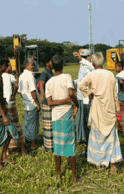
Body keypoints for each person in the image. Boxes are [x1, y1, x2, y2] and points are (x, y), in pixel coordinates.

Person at [79, 53, 122, 174]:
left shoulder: (91, 74)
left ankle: (98, 164)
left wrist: (89, 93)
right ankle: (112, 166)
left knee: (97, 136)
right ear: (103, 63)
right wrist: (117, 108)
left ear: (93, 63)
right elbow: (115, 93)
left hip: (97, 107)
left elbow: (80, 85)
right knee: (111, 136)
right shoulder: (110, 74)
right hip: (109, 107)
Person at [45, 55, 80, 183]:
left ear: (52, 66)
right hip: (67, 114)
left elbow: (49, 103)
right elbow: (71, 94)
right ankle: (75, 177)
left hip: (55, 117)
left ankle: (59, 175)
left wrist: (60, 101)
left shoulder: (49, 82)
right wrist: (75, 103)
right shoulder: (67, 77)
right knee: (70, 144)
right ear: (63, 65)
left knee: (57, 146)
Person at [0, 57, 20, 170]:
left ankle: (4, 157)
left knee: (11, 132)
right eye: (6, 64)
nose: (7, 66)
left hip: (3, 109)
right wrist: (3, 115)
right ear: (0, 66)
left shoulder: (0, 78)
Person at [2, 62, 27, 156]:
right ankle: (22, 148)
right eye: (9, 66)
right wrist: (13, 96)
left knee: (7, 127)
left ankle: (7, 149)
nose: (11, 67)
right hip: (11, 103)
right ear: (6, 67)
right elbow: (16, 85)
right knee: (16, 124)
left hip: (4, 104)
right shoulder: (10, 76)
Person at [73, 48, 94, 155]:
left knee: (85, 119)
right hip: (82, 97)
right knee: (82, 118)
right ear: (89, 57)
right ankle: (82, 137)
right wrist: (74, 82)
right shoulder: (84, 66)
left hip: (85, 97)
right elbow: (81, 80)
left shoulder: (88, 67)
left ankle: (85, 139)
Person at [18, 58, 41, 150]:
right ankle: (33, 143)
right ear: (27, 65)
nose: (33, 66)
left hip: (26, 103)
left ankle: (27, 140)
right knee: (33, 123)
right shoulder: (30, 76)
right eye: (32, 65)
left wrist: (25, 98)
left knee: (27, 122)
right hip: (32, 104)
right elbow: (33, 92)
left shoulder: (21, 76)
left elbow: (20, 92)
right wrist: (37, 104)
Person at [38, 53, 54, 153]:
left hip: (51, 101)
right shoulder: (45, 73)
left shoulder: (51, 72)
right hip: (47, 102)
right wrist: (42, 94)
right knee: (48, 126)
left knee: (51, 125)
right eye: (51, 61)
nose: (52, 63)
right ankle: (48, 147)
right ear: (47, 63)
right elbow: (41, 84)